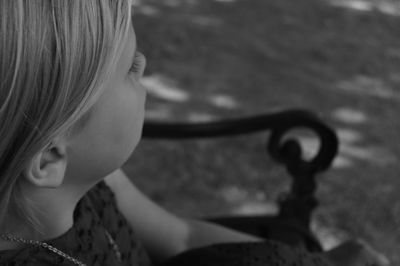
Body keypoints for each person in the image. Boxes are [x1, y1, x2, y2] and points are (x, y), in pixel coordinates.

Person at [0, 1, 388, 265]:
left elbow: (179, 236)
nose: (144, 63)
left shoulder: (96, 179)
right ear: (50, 158)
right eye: (129, 70)